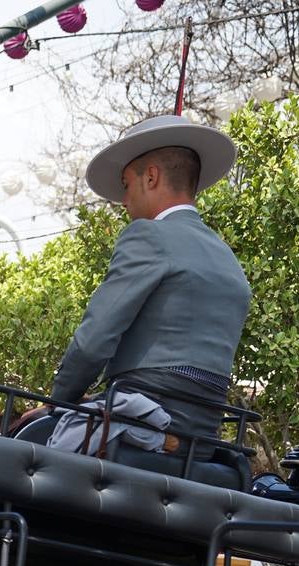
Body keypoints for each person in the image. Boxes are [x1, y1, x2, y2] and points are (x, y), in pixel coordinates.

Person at [50, 114, 250, 449]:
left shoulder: (148, 235)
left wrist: (57, 403)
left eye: (126, 185)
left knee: (29, 440)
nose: (124, 202)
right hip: (201, 436)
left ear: (152, 177)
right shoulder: (229, 259)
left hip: (145, 418)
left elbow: (94, 340)